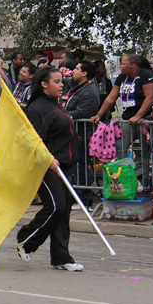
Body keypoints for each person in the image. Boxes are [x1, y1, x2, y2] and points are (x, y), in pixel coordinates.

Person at [15, 66, 84, 271]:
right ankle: (26, 239)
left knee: (63, 212)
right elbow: (31, 142)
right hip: (46, 166)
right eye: (56, 81)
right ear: (44, 84)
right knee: (55, 207)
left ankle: (61, 257)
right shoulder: (37, 109)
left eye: (62, 81)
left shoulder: (58, 105)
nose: (61, 85)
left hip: (64, 166)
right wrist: (48, 159)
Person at [90, 54, 153, 159]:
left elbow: (150, 97)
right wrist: (99, 115)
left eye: (123, 64)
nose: (120, 66)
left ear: (132, 66)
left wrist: (138, 116)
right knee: (120, 147)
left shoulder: (146, 75)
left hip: (144, 119)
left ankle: (146, 175)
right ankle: (124, 174)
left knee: (145, 150)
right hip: (127, 119)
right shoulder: (122, 77)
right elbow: (111, 98)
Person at [61, 60, 100, 208]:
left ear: (84, 73)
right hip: (72, 133)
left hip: (82, 134)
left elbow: (83, 112)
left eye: (76, 69)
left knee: (81, 167)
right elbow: (65, 84)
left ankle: (83, 200)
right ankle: (75, 197)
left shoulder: (89, 91)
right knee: (74, 167)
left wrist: (62, 115)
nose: (73, 71)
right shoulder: (75, 86)